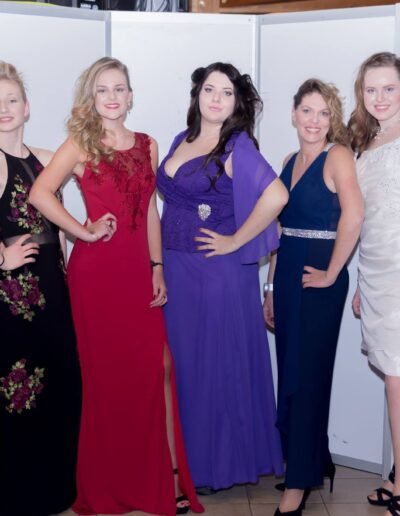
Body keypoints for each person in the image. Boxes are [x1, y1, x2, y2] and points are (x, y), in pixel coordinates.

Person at [29, 57, 203, 516]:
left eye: (119, 88)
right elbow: (40, 194)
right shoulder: (81, 143)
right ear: (92, 97)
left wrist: (157, 266)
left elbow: (149, 212)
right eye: (103, 89)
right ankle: (111, 482)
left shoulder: (148, 145)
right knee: (106, 382)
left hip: (138, 271)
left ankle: (163, 475)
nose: (112, 97)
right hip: (97, 277)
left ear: (130, 95)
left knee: (158, 369)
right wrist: (81, 231)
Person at [157, 62, 287, 491]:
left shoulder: (237, 145)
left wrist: (234, 241)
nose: (216, 99)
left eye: (226, 92)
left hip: (216, 274)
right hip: (177, 269)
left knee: (214, 367)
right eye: (209, 89)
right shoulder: (181, 139)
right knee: (186, 368)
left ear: (236, 102)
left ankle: (217, 467)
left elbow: (276, 195)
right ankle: (186, 460)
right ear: (197, 96)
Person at [264, 78, 363, 515]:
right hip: (288, 274)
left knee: (307, 377)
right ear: (293, 113)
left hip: (318, 277)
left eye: (324, 113)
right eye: (307, 110)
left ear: (332, 119)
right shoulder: (288, 161)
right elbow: (279, 232)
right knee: (292, 370)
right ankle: (315, 459)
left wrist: (333, 273)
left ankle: (299, 482)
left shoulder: (337, 155)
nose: (314, 120)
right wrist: (270, 288)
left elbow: (354, 215)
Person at [0, 61, 81, 516]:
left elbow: (60, 228)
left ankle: (54, 492)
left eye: (12, 99)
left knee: (59, 386)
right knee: (17, 395)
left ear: (27, 107)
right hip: (11, 300)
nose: (4, 109)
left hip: (54, 292)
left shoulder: (48, 159)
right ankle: (16, 497)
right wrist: (1, 259)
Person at [349, 51, 400, 516]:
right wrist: (362, 283)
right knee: (393, 377)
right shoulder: (364, 140)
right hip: (376, 271)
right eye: (371, 89)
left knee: (397, 380)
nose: (380, 97)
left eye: (389, 88)